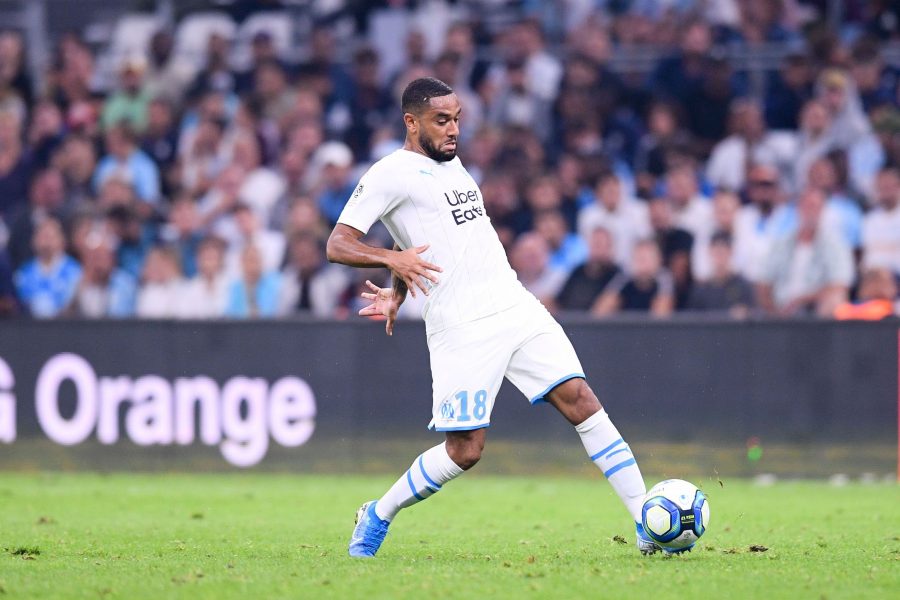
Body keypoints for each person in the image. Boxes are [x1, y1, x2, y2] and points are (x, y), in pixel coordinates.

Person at [325, 78, 654, 557]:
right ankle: (378, 513)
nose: (454, 129)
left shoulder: (453, 165)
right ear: (411, 122)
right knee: (466, 450)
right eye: (442, 120)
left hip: (514, 304)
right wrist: (392, 263)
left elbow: (415, 236)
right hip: (461, 325)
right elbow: (338, 244)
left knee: (581, 400)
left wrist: (397, 291)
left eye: (457, 118)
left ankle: (647, 521)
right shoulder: (388, 173)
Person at [756, 187, 854, 317]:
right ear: (798, 208)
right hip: (780, 307)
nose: (810, 211)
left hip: (814, 309)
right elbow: (764, 280)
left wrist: (801, 300)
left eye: (815, 206)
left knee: (835, 299)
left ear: (823, 210)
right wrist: (773, 311)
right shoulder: (781, 243)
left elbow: (840, 285)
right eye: (807, 206)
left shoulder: (836, 244)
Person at [686, 232, 755, 317]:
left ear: (731, 252)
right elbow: (692, 318)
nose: (719, 257)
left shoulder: (743, 286)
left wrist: (745, 313)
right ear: (709, 252)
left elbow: (754, 313)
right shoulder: (701, 289)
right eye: (717, 252)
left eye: (723, 252)